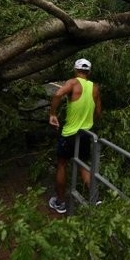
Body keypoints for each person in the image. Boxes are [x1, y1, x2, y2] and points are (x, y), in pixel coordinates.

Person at [48, 58, 102, 214]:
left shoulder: (73, 83)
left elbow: (57, 94)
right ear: (89, 72)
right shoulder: (95, 88)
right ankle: (96, 200)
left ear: (75, 70)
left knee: (62, 165)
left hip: (70, 134)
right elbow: (98, 113)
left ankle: (60, 202)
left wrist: (52, 114)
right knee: (84, 166)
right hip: (85, 135)